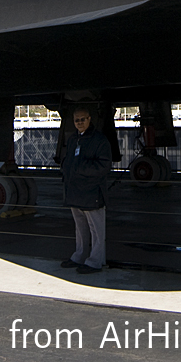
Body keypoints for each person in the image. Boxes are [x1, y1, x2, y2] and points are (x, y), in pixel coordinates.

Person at [60, 105, 112, 274]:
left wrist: (78, 168)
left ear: (89, 119)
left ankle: (95, 261)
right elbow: (68, 160)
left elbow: (103, 166)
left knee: (96, 230)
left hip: (91, 191)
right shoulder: (73, 140)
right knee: (80, 228)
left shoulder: (100, 140)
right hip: (75, 191)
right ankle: (79, 255)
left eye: (83, 119)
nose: (80, 123)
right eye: (77, 120)